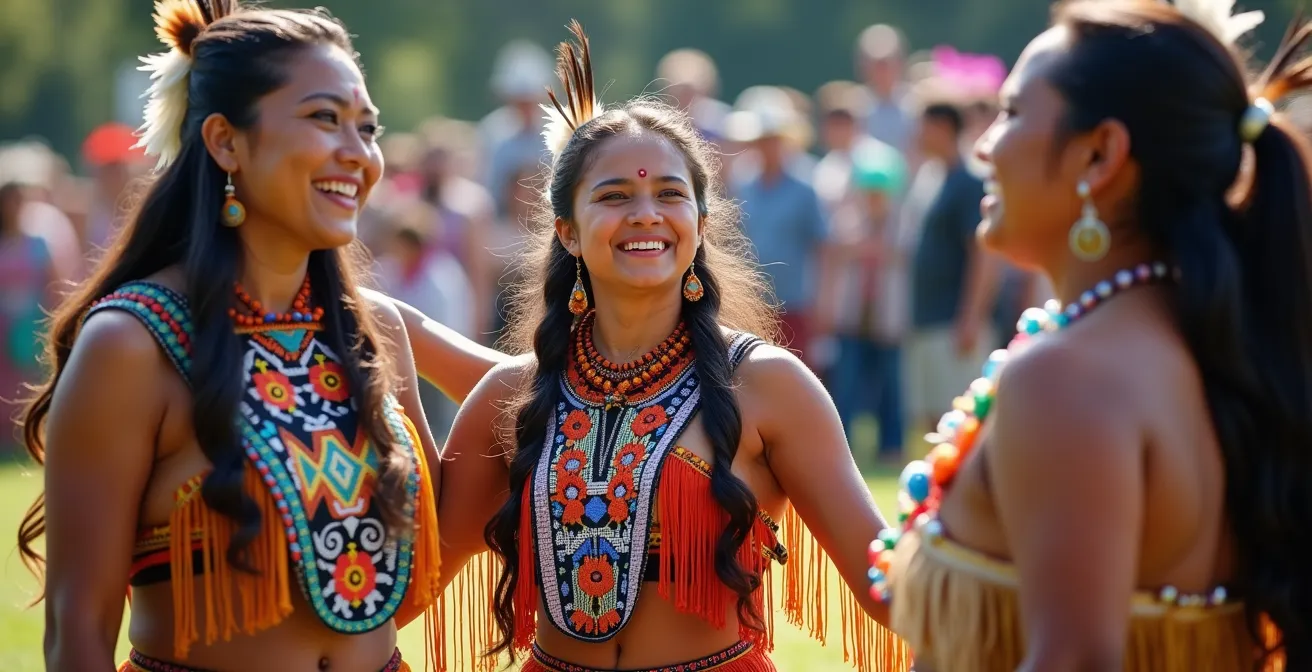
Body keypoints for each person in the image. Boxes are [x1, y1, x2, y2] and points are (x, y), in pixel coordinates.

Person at [435, 22, 910, 672]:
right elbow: (392, 593)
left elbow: (888, 586)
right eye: (614, 195)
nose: (645, 214)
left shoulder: (768, 386)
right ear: (568, 233)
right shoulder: (511, 396)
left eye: (669, 194)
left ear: (701, 225)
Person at [868, 0, 1312, 669]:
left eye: (1012, 113)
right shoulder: (1200, 340)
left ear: (1100, 154)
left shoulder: (1070, 377)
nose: (984, 144)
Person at [15, 2, 446, 670]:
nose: (358, 155)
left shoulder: (374, 332)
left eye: (368, 128)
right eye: (324, 119)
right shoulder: (131, 346)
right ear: (224, 142)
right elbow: (80, 629)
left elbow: (443, 531)